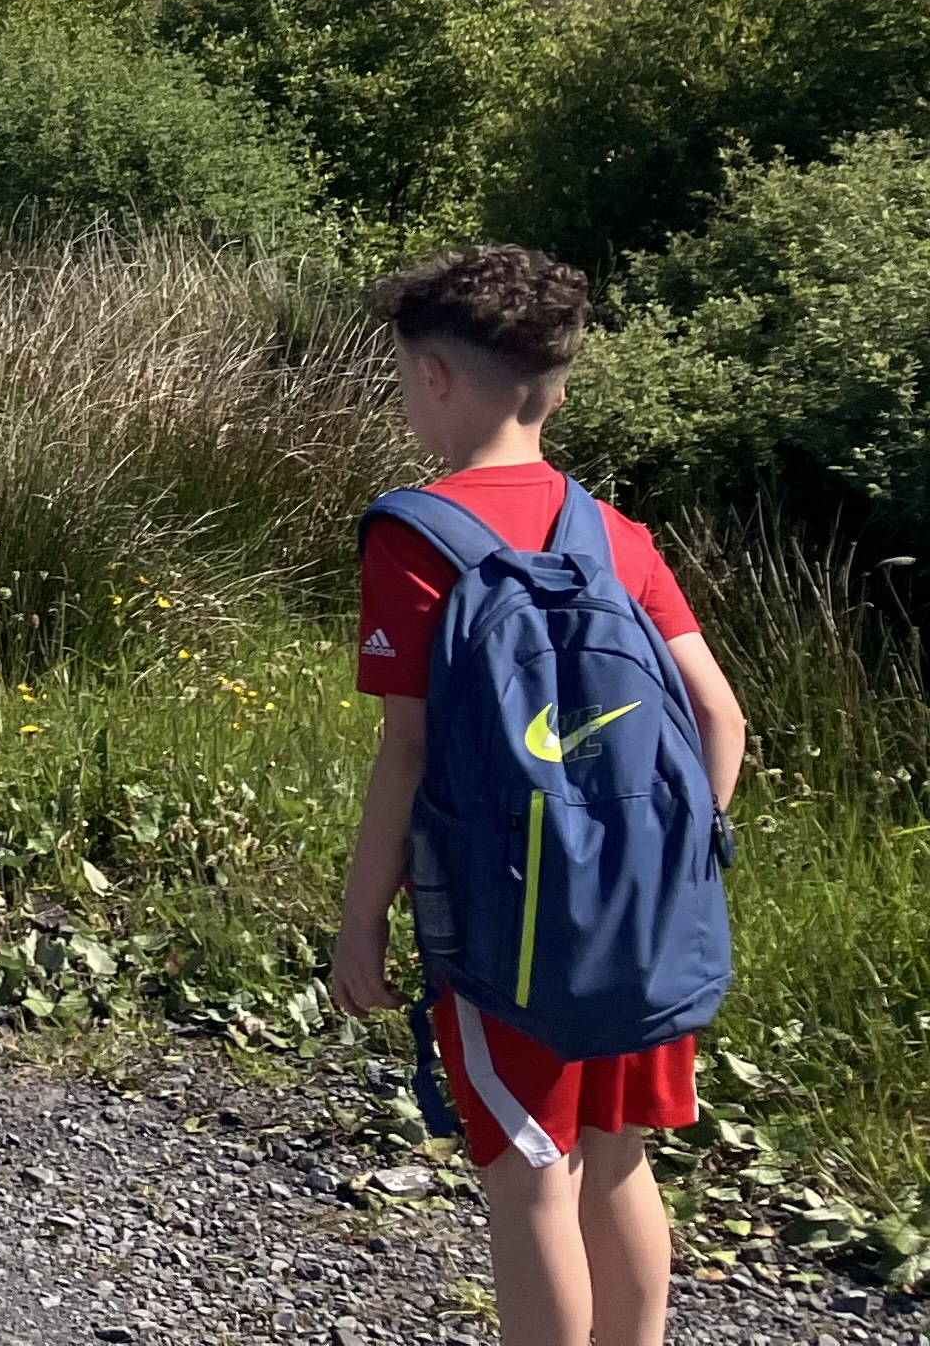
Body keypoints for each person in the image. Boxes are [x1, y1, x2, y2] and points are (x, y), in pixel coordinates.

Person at [330, 245, 748, 1346]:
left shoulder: (415, 538)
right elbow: (721, 718)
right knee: (617, 1160)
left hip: (504, 930)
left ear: (433, 377)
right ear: (554, 390)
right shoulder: (614, 533)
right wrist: (671, 872)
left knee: (529, 1177)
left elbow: (408, 754)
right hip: (642, 921)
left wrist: (361, 918)